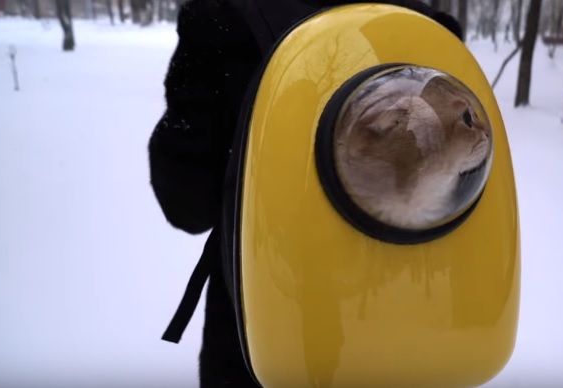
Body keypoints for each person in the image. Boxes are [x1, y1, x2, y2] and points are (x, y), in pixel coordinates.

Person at [147, 0, 463, 387]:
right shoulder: (426, 30)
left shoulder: (220, 21)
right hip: (400, 321)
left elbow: (188, 205)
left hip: (263, 322)